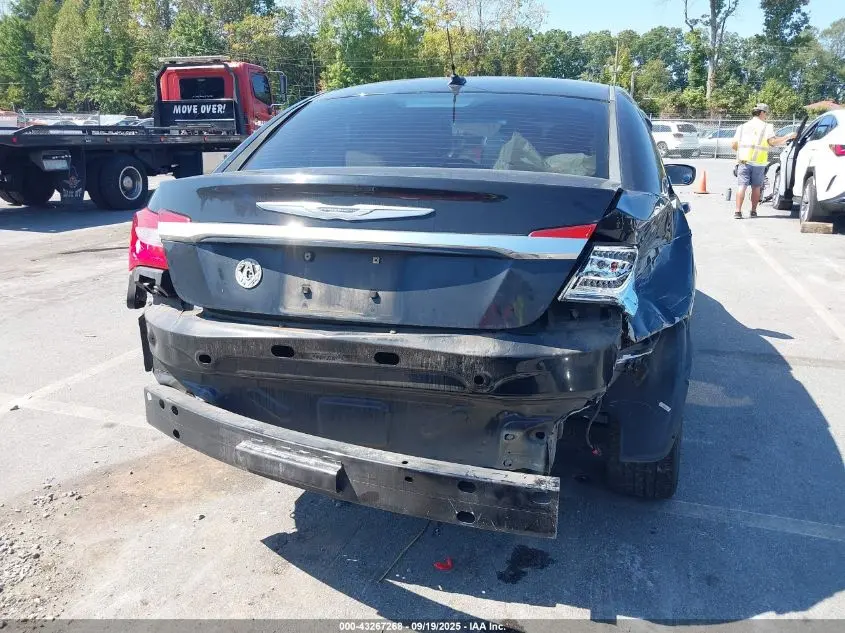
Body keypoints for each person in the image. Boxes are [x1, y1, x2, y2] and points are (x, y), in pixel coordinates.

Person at [731, 103, 796, 219]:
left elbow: (734, 145)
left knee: (742, 186)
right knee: (756, 187)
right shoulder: (767, 127)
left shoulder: (742, 127)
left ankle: (737, 212)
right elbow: (772, 142)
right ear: (761, 113)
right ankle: (753, 211)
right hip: (759, 162)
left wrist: (742, 153)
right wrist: (788, 137)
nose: (766, 115)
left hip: (743, 161)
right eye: (766, 113)